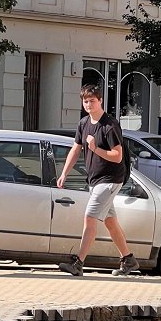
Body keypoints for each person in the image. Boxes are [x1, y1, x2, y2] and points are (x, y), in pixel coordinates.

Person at [55, 84, 139, 277]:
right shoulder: (84, 123)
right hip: (95, 181)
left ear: (100, 101)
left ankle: (78, 263)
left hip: (110, 180)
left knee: (90, 218)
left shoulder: (109, 125)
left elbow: (117, 156)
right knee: (110, 223)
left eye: (92, 100)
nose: (88, 104)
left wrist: (95, 148)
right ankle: (128, 260)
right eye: (85, 101)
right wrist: (64, 173)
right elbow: (76, 149)